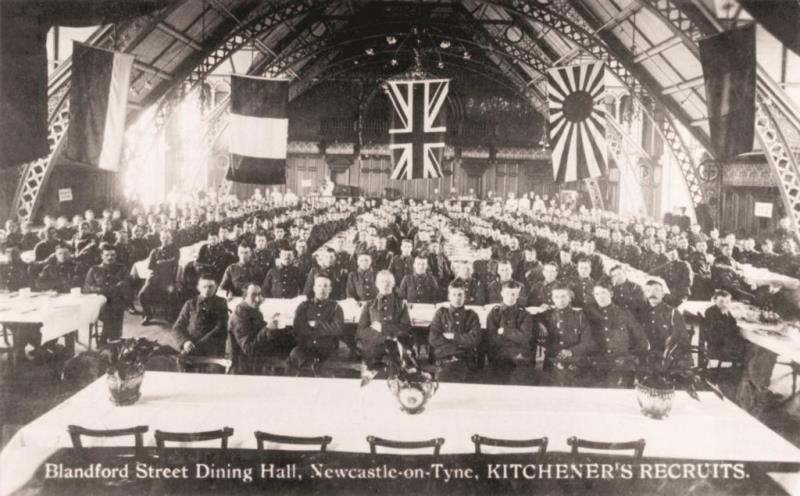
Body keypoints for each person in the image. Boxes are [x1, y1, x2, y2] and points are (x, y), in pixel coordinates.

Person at [585, 282, 649, 388]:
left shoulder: (624, 314)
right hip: (597, 365)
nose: (600, 297)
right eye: (597, 294)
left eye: (603, 293)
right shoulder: (589, 314)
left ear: (611, 294)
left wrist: (630, 358)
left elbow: (642, 341)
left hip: (622, 366)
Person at [356, 270, 412, 379]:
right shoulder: (369, 305)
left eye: (388, 282)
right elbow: (361, 331)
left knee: (394, 374)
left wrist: (382, 328)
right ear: (377, 284)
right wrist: (384, 337)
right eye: (382, 281)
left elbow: (405, 328)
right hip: (373, 347)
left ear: (393, 284)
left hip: (395, 347)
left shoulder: (400, 304)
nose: (385, 284)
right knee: (373, 376)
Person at [428, 279, 482, 383]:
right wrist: (461, 342)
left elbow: (475, 339)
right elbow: (433, 339)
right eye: (454, 294)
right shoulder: (441, 313)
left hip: (465, 359)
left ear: (464, 297)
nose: (457, 298)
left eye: (460, 295)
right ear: (449, 296)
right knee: (444, 381)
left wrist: (453, 336)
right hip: (444, 358)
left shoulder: (472, 315)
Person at [484, 281, 536, 385]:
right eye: (507, 293)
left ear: (518, 295)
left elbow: (524, 337)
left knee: (519, 380)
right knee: (494, 381)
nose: (510, 297)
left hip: (518, 355)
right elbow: (491, 338)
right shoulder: (494, 313)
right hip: (499, 354)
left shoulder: (524, 314)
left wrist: (504, 331)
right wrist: (514, 335)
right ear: (502, 293)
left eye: (513, 294)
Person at [541, 284, 594, 385]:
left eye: (563, 296)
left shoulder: (579, 316)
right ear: (552, 298)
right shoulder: (547, 315)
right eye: (556, 297)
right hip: (553, 362)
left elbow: (588, 342)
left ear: (570, 298)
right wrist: (538, 323)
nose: (560, 300)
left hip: (575, 362)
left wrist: (571, 351)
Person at [290, 276, 345, 371]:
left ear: (330, 289)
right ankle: (313, 367)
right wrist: (325, 329)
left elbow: (337, 328)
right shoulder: (304, 306)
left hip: (327, 347)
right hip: (306, 346)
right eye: (319, 286)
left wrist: (315, 325)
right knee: (295, 353)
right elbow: (297, 327)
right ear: (314, 288)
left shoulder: (336, 308)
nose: (322, 289)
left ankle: (313, 369)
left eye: (325, 286)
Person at [83, 243, 131, 344]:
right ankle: (113, 339)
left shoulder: (122, 268)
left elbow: (126, 284)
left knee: (114, 306)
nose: (110, 258)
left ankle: (105, 340)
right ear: (101, 256)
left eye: (113, 255)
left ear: (116, 255)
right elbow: (87, 288)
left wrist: (105, 289)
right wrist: (106, 289)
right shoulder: (94, 269)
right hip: (98, 305)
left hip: (116, 302)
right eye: (107, 255)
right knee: (112, 309)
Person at [172, 274, 229, 357]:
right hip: (190, 346)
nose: (207, 290)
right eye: (204, 287)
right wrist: (185, 342)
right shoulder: (190, 303)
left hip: (212, 348)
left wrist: (197, 346)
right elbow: (177, 327)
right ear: (198, 288)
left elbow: (220, 328)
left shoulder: (221, 303)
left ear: (216, 287)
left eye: (210, 287)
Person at [139, 230, 180, 324]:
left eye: (167, 237)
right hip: (154, 278)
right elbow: (150, 266)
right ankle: (148, 314)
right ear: (160, 238)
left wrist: (160, 262)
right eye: (163, 237)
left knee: (173, 293)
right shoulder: (155, 250)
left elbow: (174, 261)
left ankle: (171, 315)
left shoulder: (175, 250)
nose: (165, 239)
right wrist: (165, 263)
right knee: (142, 294)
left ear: (171, 239)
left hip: (168, 279)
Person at [641, 280, 691, 358]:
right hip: (646, 358)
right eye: (648, 290)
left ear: (663, 294)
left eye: (656, 290)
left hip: (669, 359)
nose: (652, 294)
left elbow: (679, 340)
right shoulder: (641, 314)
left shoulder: (673, 313)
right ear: (645, 294)